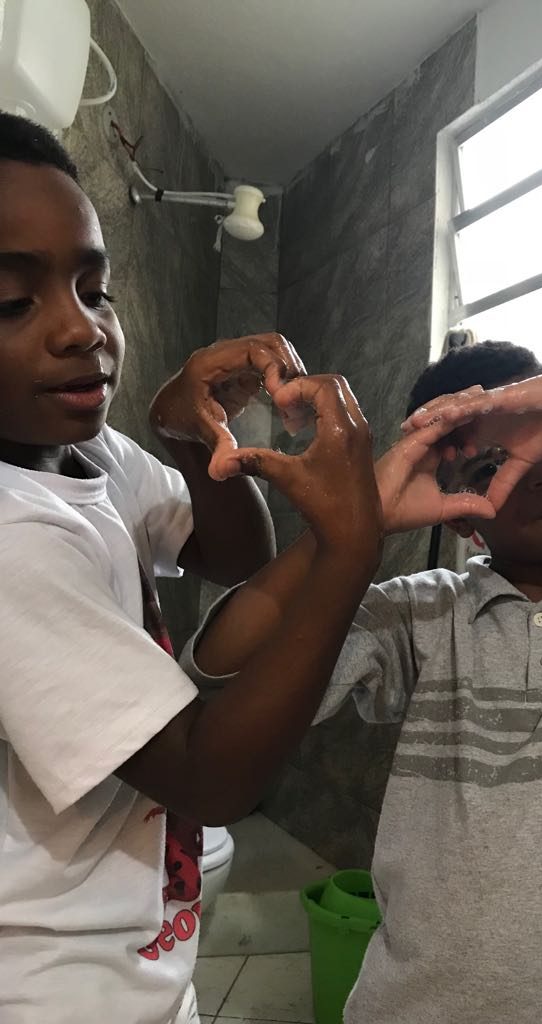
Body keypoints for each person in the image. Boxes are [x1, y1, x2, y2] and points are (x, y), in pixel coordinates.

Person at [186, 340, 542, 1023]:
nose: (540, 474)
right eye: (495, 464)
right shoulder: (420, 616)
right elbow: (223, 673)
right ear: (459, 511)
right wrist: (352, 527)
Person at [0, 112, 422, 1024]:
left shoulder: (85, 453)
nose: (83, 331)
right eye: (12, 301)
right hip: (54, 994)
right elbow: (214, 776)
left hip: (130, 956)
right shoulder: (12, 540)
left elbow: (235, 555)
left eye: (93, 287)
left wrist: (185, 434)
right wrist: (353, 548)